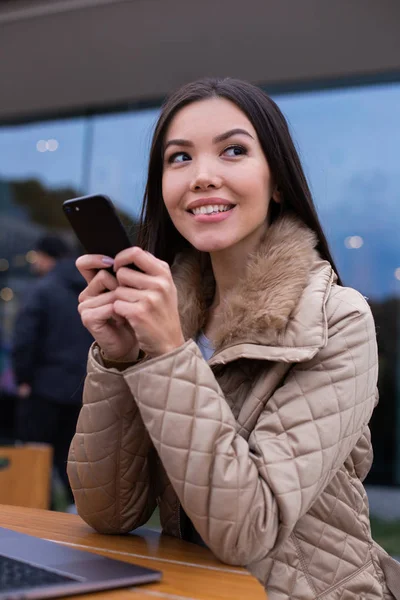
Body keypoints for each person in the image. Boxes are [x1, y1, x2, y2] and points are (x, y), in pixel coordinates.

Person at [67, 78, 400, 599]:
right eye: (179, 158)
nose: (202, 176)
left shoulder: (340, 320)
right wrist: (120, 358)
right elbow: (109, 511)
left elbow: (246, 529)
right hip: (192, 589)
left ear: (277, 183)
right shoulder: (166, 321)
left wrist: (169, 353)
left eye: (234, 151)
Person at [12, 233, 93, 505]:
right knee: (72, 461)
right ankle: (77, 519)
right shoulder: (89, 289)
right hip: (81, 390)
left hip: (43, 389)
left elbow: (24, 339)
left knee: (34, 459)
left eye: (37, 257)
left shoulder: (42, 289)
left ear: (47, 257)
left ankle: (35, 522)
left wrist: (23, 379)